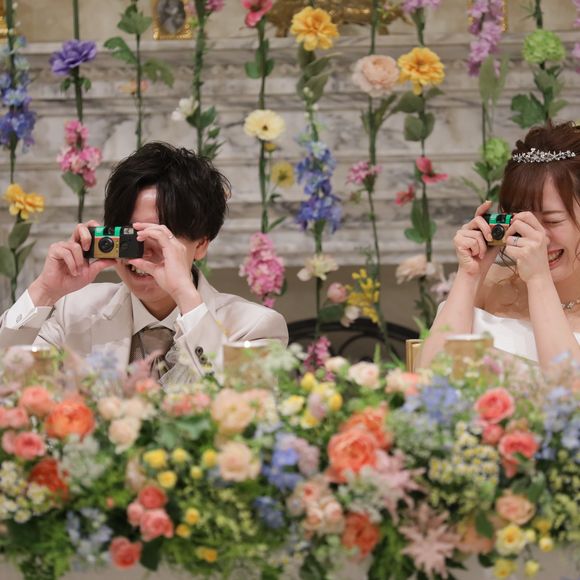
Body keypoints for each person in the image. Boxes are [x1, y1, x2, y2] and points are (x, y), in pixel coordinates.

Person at [0, 142, 288, 379]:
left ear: (201, 245)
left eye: (160, 236)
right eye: (130, 234)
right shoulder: (74, 312)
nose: (142, 253)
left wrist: (184, 294)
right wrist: (44, 291)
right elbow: (8, 381)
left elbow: (245, 407)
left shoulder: (254, 327)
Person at [420, 121, 580, 370]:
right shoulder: (489, 286)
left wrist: (539, 280)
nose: (535, 238)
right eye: (521, 221)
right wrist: (470, 275)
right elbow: (431, 376)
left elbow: (569, 388)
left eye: (552, 220)